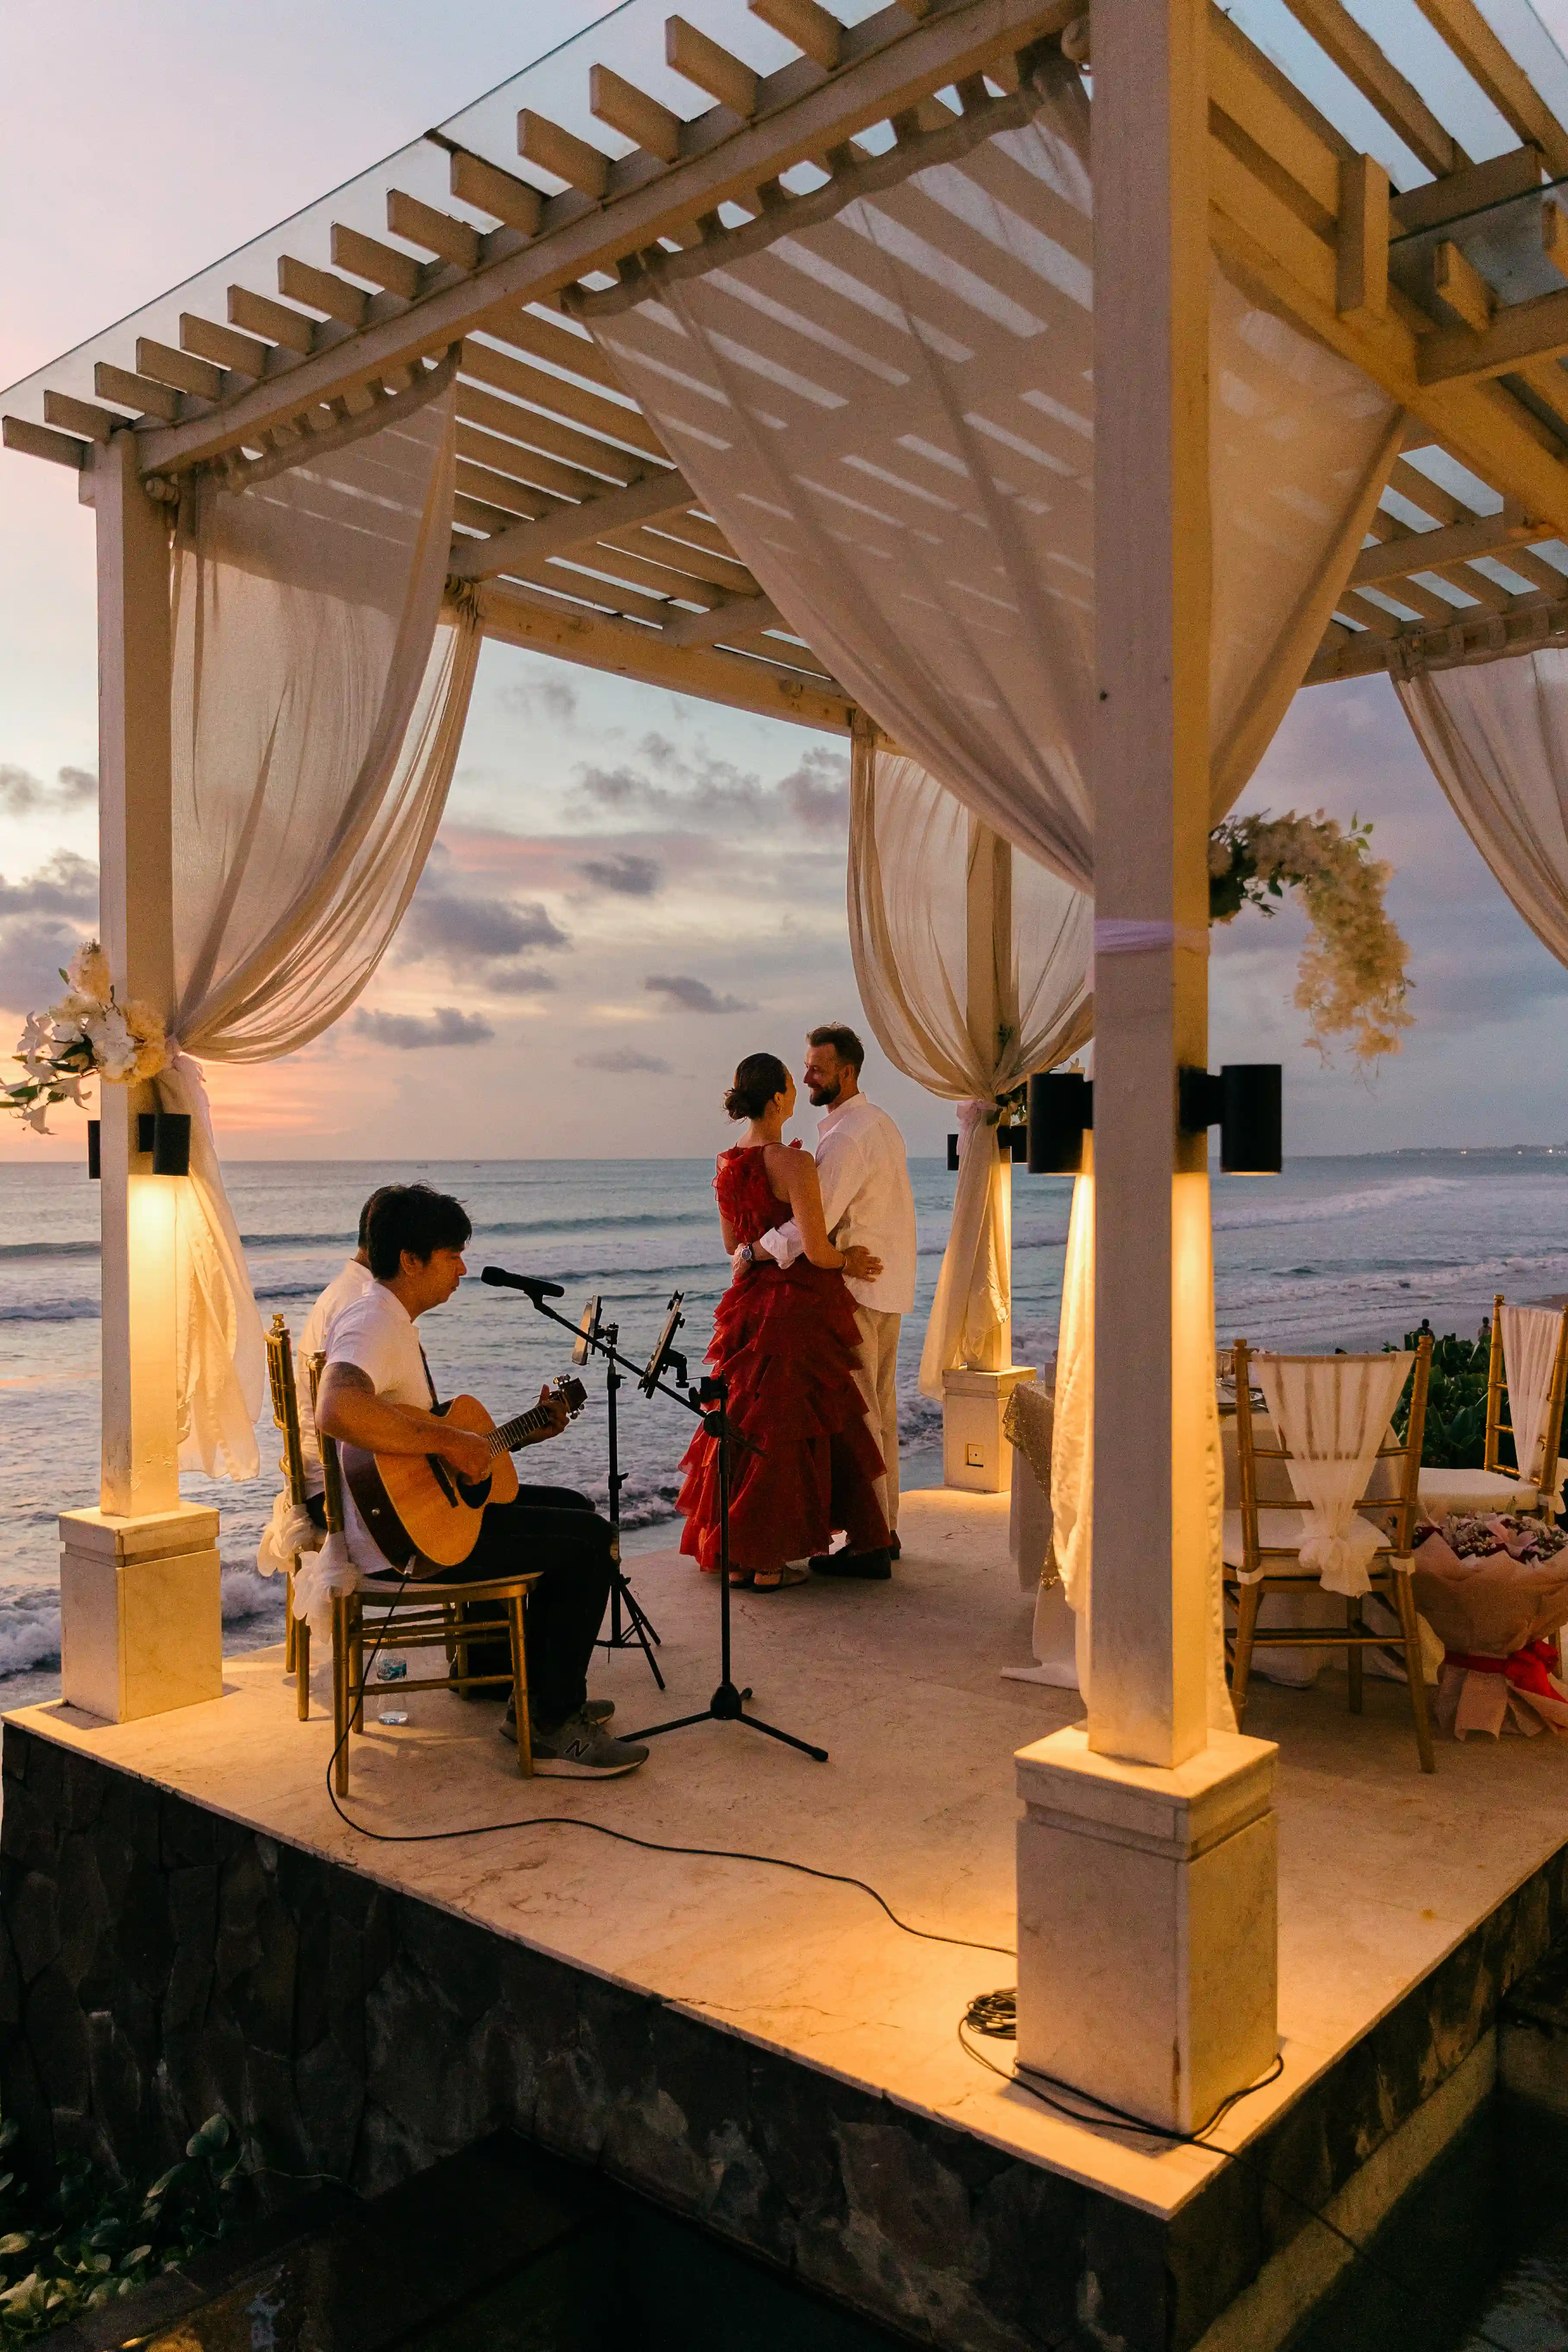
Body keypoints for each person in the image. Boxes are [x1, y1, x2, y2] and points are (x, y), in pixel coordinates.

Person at [314, 1182, 646, 1779]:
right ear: (411, 1260)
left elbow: (430, 1454)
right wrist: (449, 1441)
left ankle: (534, 1694)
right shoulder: (372, 1321)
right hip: (402, 1546)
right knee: (589, 1541)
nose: (463, 1270)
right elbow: (337, 1406)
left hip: (412, 1522)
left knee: (572, 1508)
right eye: (452, 1256)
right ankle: (552, 1723)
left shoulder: (390, 1319)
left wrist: (518, 1434)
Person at [680, 1052, 887, 1589]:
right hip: (795, 1307)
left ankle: (741, 1557)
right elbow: (816, 1250)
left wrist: (756, 1253)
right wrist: (849, 1260)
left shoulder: (726, 1164)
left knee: (744, 1423)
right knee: (790, 1432)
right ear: (777, 1099)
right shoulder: (794, 1163)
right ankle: (769, 1562)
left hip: (748, 1308)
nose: (797, 1090)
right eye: (792, 1084)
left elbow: (733, 1245)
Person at [738, 1025, 916, 1579]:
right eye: (806, 1067)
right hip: (888, 1286)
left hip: (855, 1294)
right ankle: (885, 1530)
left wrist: (753, 1251)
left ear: (847, 1072)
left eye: (817, 1068)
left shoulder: (844, 1139)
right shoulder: (879, 1122)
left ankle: (870, 1546)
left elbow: (809, 1228)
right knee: (880, 1413)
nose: (808, 1076)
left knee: (861, 1420)